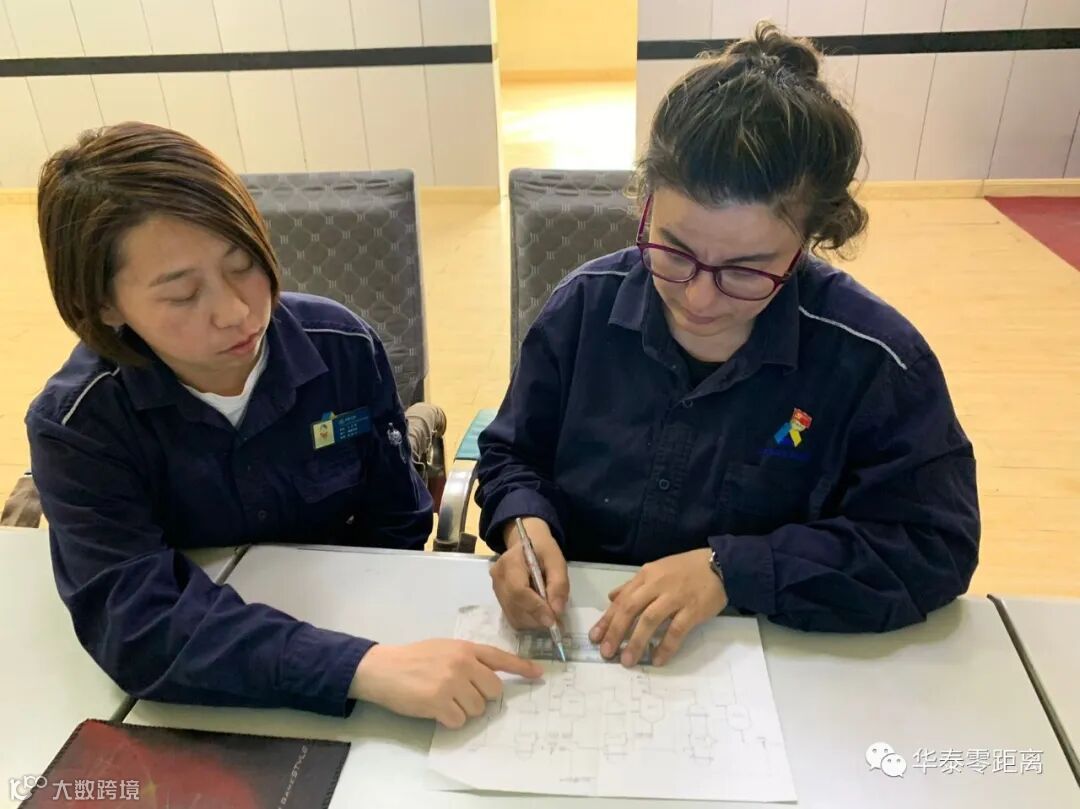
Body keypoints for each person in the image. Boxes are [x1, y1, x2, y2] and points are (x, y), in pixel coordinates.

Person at [476, 23, 980, 668]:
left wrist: (732, 570)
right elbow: (513, 452)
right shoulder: (582, 309)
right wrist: (522, 522)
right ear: (646, 205)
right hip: (583, 643)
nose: (699, 298)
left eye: (746, 270)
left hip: (769, 658)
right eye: (674, 250)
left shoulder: (874, 362)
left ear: (810, 240)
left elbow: (931, 548)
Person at [27, 122, 540, 727]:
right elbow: (137, 625)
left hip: (360, 643)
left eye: (244, 263)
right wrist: (353, 666)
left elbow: (398, 522)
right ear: (103, 305)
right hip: (225, 676)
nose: (236, 311)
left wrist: (372, 641)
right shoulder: (80, 424)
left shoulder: (342, 347)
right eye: (182, 295)